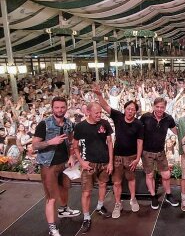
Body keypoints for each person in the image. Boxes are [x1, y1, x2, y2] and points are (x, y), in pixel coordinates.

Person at [93, 84, 144, 218]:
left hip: (131, 157)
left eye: (133, 109)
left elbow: (140, 141)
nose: (130, 111)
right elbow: (105, 106)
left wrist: (138, 158)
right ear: (124, 109)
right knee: (116, 182)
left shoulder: (138, 124)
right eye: (128, 109)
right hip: (117, 157)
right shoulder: (118, 116)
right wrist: (99, 95)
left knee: (131, 179)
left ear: (136, 112)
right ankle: (118, 203)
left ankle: (133, 199)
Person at [32, 96, 80, 236]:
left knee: (64, 188)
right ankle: (52, 228)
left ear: (66, 108)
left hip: (64, 164)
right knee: (51, 197)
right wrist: (50, 142)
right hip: (49, 165)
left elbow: (71, 142)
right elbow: (35, 145)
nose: (60, 110)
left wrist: (71, 156)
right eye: (57, 107)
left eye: (62, 107)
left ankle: (64, 210)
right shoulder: (44, 124)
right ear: (52, 108)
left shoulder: (68, 124)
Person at [73, 102, 114, 234]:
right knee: (86, 192)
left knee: (103, 184)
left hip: (104, 161)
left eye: (100, 113)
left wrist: (111, 162)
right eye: (96, 113)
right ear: (88, 112)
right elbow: (75, 146)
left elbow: (109, 143)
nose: (99, 115)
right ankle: (86, 217)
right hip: (88, 163)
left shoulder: (105, 123)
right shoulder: (80, 127)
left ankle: (100, 206)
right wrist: (81, 162)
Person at [140, 97, 179, 209]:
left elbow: (176, 131)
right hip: (147, 152)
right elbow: (138, 133)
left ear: (165, 107)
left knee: (166, 175)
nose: (159, 109)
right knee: (150, 175)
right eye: (157, 106)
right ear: (153, 106)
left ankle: (168, 195)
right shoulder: (145, 117)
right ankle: (153, 197)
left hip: (161, 152)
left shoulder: (168, 118)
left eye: (162, 107)